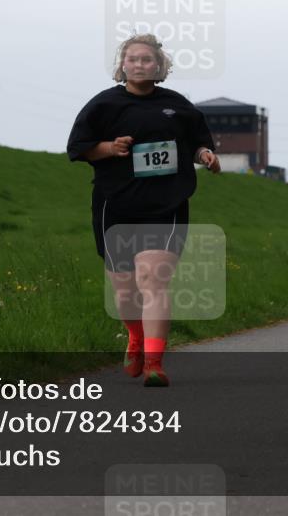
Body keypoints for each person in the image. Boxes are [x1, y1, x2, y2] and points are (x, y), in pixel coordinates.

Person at [67, 33, 220, 387]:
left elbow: (198, 143)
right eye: (132, 59)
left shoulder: (178, 106)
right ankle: (135, 336)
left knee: (153, 280)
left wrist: (204, 156)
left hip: (165, 203)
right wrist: (109, 147)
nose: (139, 64)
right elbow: (78, 147)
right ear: (122, 65)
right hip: (115, 204)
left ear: (160, 66)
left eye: (147, 59)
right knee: (124, 291)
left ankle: (154, 362)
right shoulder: (103, 105)